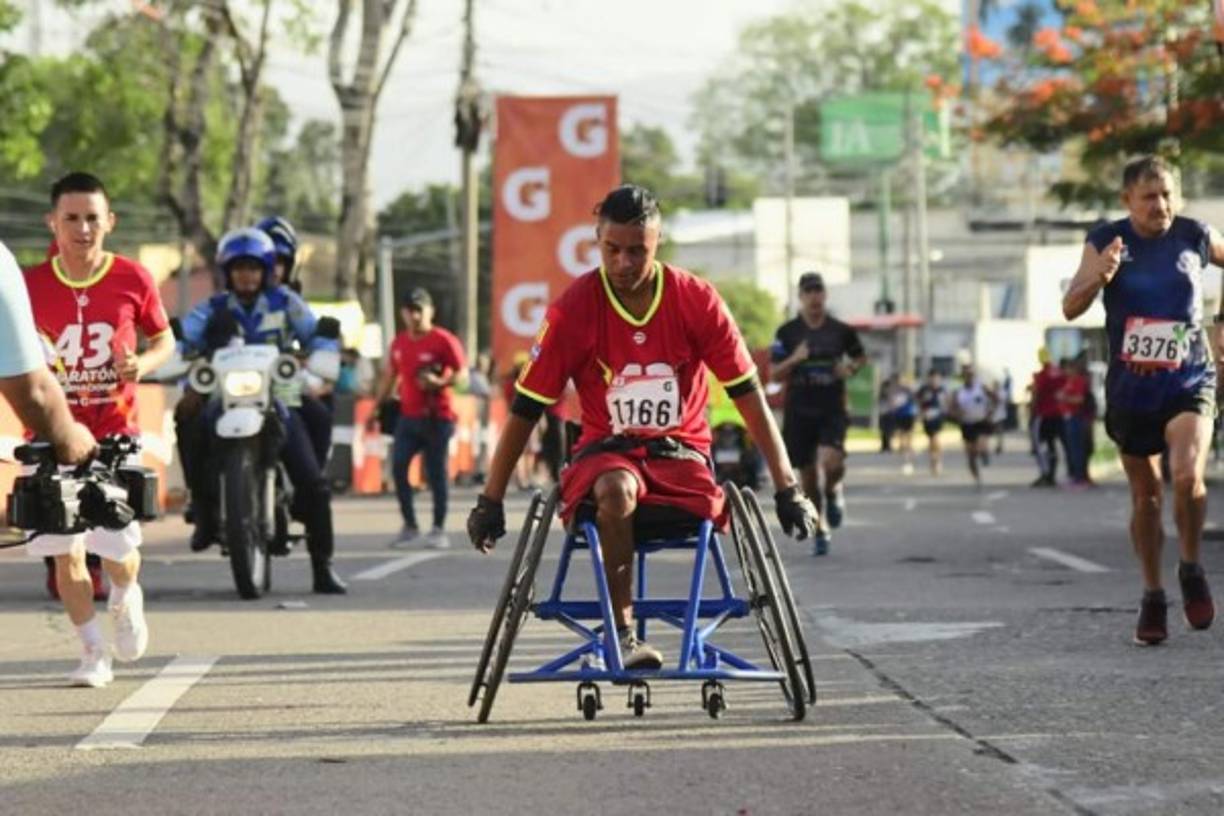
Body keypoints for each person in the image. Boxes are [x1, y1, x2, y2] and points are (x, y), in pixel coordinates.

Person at [465, 184, 819, 669]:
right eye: (613, 250)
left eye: (638, 251)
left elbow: (748, 396)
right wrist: (490, 499)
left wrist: (787, 488)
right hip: (605, 456)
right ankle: (624, 633)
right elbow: (526, 408)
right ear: (597, 242)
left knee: (653, 484)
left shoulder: (696, 299)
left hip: (681, 459)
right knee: (616, 487)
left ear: (657, 243)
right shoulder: (575, 307)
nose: (625, 262)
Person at [21, 172, 176, 687]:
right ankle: (92, 655)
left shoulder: (132, 277)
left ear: (109, 222)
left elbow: (165, 340)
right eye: (72, 218)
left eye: (92, 218)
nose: (83, 228)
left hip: (114, 435)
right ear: (53, 222)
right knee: (66, 551)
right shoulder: (27, 287)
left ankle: (127, 594)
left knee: (118, 553)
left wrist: (143, 364)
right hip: (51, 435)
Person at [1062, 154, 1224, 646]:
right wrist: (1100, 277)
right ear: (1127, 200)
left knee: (1186, 474)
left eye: (1168, 194)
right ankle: (1153, 592)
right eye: (1150, 196)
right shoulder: (1107, 241)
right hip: (1132, 386)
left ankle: (1191, 566)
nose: (1161, 205)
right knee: (1147, 496)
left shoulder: (1194, 234)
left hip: (1189, 377)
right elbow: (1070, 307)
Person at [177, 227, 347, 594]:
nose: (246, 275)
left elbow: (315, 331)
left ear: (267, 269)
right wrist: (173, 348)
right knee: (189, 419)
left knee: (313, 481)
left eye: (253, 268)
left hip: (281, 397)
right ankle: (203, 508)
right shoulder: (213, 308)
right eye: (238, 268)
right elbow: (183, 336)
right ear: (226, 271)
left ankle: (323, 564)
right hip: (223, 398)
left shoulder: (287, 302)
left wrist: (323, 347)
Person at [769, 271, 867, 556]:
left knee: (832, 463)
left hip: (831, 406)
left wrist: (849, 368)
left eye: (819, 291)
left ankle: (835, 491)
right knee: (808, 476)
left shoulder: (840, 331)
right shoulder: (787, 333)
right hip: (799, 409)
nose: (814, 296)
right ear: (800, 297)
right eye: (808, 291)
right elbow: (773, 372)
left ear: (825, 295)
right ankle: (821, 528)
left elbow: (859, 357)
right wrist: (795, 358)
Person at [370, 287, 466, 550]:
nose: (414, 315)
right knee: (398, 467)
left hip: (437, 417)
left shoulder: (443, 340)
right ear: (403, 312)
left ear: (429, 311)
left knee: (436, 473)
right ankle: (410, 525)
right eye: (409, 310)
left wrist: (440, 381)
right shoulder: (399, 343)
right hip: (408, 417)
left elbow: (462, 374)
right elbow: (391, 377)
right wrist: (375, 408)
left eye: (419, 310)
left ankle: (438, 528)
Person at [948, 363, 997, 488]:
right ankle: (977, 478)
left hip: (981, 421)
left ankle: (984, 453)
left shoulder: (981, 388)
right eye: (966, 375)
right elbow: (951, 409)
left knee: (980, 443)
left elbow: (995, 398)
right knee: (970, 455)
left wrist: (990, 412)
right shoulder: (959, 392)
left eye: (971, 375)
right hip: (967, 424)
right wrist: (957, 413)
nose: (969, 377)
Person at [1029, 347, 1066, 487]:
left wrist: (1033, 410)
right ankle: (1054, 473)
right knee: (1055, 446)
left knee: (1042, 446)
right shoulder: (1059, 373)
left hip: (1043, 415)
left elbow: (1036, 394)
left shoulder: (1041, 375)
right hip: (1059, 414)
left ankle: (1046, 474)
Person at [255, 215, 301, 292]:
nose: (274, 269)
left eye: (279, 262)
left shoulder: (292, 302)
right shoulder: (233, 301)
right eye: (269, 261)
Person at [916, 368, 948, 475]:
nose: (934, 380)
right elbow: (918, 401)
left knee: (935, 437)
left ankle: (936, 460)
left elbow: (946, 402)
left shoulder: (942, 390)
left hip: (938, 417)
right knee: (930, 439)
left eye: (936, 378)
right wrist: (920, 413)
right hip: (927, 417)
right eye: (932, 378)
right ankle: (933, 458)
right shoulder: (924, 389)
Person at [889, 376, 918, 475]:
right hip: (899, 416)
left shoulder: (909, 392)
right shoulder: (895, 392)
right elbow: (893, 404)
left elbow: (915, 401)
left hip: (909, 415)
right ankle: (905, 452)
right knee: (902, 436)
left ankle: (908, 454)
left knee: (908, 436)